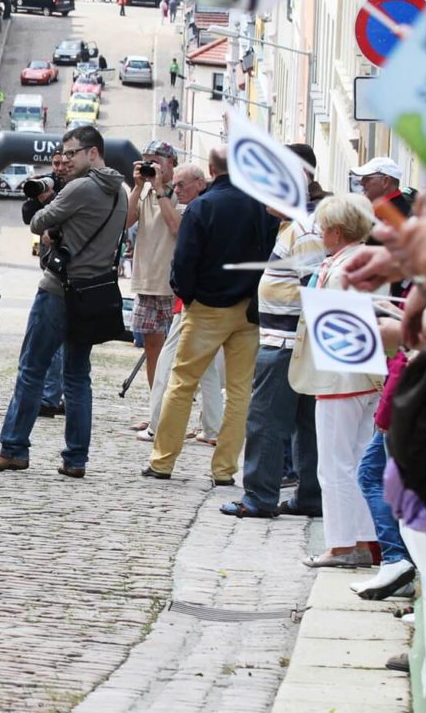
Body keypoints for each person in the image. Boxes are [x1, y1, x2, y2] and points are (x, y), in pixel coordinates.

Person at [0, 125, 127, 477]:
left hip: (58, 290)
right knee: (78, 377)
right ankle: (76, 459)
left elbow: (38, 222)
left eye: (72, 153)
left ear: (92, 153)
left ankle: (14, 448)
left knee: (32, 370)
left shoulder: (80, 187)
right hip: (91, 295)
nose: (66, 160)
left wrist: (52, 211)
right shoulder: (121, 192)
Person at [145, 147, 279, 483]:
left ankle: (163, 462)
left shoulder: (202, 206)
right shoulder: (262, 208)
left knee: (182, 382)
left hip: (206, 307)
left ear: (210, 170)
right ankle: (224, 470)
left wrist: (187, 295)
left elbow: (185, 260)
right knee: (238, 391)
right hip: (248, 310)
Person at [223, 145, 328, 519]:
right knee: (304, 423)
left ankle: (259, 496)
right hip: (294, 343)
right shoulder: (300, 226)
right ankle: (309, 496)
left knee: (266, 420)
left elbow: (314, 288)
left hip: (288, 344)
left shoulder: (305, 230)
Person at [299, 195, 388, 569]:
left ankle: (341, 544)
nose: (320, 234)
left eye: (323, 228)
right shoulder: (365, 258)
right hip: (365, 374)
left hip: (342, 374)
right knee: (359, 461)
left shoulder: (340, 268)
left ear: (336, 231)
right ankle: (368, 540)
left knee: (335, 464)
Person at [134, 164, 225, 443]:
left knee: (166, 365)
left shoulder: (200, 209)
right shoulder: (211, 206)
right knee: (207, 370)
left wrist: (160, 190)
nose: (178, 190)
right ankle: (212, 428)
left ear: (200, 182)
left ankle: (157, 425)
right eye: (176, 185)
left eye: (182, 185)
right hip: (207, 298)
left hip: (191, 301)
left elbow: (178, 234)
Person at [126, 141, 183, 389]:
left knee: (178, 351)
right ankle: (155, 410)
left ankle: (174, 410)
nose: (151, 166)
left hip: (173, 284)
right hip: (147, 280)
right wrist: (137, 188)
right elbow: (124, 222)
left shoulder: (182, 190)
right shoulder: (145, 192)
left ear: (170, 162)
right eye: (147, 161)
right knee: (152, 349)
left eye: (156, 161)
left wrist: (160, 188)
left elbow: (176, 227)